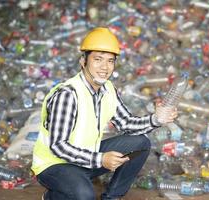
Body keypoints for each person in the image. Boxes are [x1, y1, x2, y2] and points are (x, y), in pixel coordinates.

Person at [31, 27, 178, 200]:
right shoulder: (68, 95)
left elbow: (126, 123)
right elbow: (58, 146)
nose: (104, 67)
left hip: (86, 156)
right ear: (83, 61)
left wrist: (156, 119)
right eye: (98, 59)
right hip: (55, 164)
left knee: (141, 143)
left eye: (110, 61)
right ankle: (52, 196)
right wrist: (100, 159)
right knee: (84, 195)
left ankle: (112, 197)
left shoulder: (108, 89)